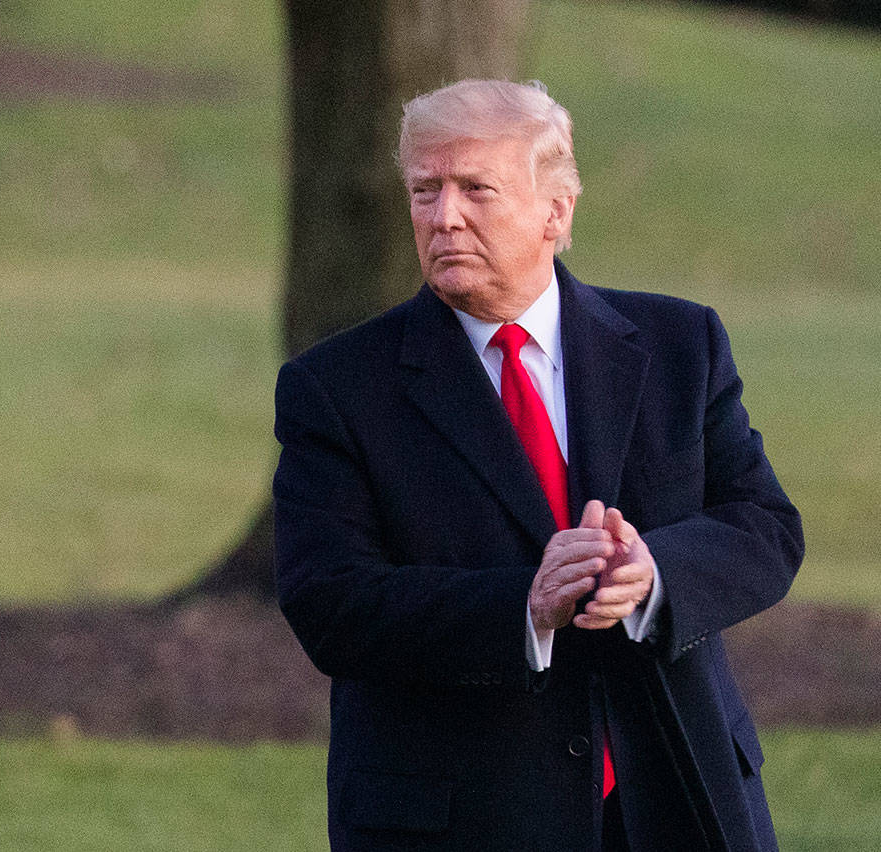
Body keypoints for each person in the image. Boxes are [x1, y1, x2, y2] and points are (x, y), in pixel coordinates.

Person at [272, 79, 803, 851]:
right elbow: (330, 601)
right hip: (460, 820)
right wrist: (524, 606)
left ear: (557, 211)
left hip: (679, 799)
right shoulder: (337, 387)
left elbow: (764, 528)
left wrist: (654, 574)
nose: (443, 215)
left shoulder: (680, 345)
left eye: (474, 189)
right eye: (425, 190)